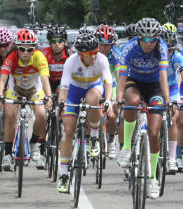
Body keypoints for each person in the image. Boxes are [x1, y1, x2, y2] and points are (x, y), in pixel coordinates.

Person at [116, 18, 170, 199]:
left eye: (152, 40)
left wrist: (168, 100)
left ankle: (153, 177)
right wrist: (118, 98)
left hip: (155, 85)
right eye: (144, 39)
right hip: (134, 82)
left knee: (154, 134)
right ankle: (125, 147)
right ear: (138, 38)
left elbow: (163, 75)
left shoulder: (161, 47)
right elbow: (122, 75)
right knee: (132, 100)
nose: (148, 44)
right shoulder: (129, 47)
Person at [57, 32, 113, 193]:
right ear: (81, 54)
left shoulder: (101, 59)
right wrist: (62, 104)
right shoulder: (71, 62)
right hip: (74, 91)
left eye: (95, 52)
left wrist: (108, 100)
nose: (94, 57)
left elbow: (108, 82)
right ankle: (64, 175)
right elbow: (64, 87)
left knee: (93, 99)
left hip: (93, 88)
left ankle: (94, 136)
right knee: (68, 131)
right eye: (89, 54)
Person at [0, 28, 53, 170]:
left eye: (30, 49)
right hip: (15, 89)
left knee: (41, 114)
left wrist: (49, 96)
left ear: (35, 48)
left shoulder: (39, 57)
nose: (26, 53)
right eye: (22, 49)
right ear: (16, 47)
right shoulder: (12, 57)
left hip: (34, 89)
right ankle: (8, 154)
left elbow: (45, 78)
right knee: (9, 116)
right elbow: (3, 79)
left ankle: (34, 143)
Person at [161, 23, 183, 172]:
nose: (167, 52)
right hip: (154, 86)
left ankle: (172, 158)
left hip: (172, 88)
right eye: (164, 49)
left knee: (173, 117)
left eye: (170, 49)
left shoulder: (178, 56)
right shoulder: (153, 55)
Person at [96, 24, 121, 159]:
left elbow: (119, 74)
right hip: (97, 83)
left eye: (108, 45)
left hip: (112, 84)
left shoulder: (116, 54)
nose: (105, 48)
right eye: (101, 44)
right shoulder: (92, 52)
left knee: (114, 110)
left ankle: (111, 140)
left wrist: (119, 95)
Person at [42, 25, 70, 94]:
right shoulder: (44, 54)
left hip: (64, 82)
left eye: (60, 41)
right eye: (53, 41)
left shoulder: (70, 55)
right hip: (48, 81)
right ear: (50, 43)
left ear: (65, 42)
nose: (57, 44)